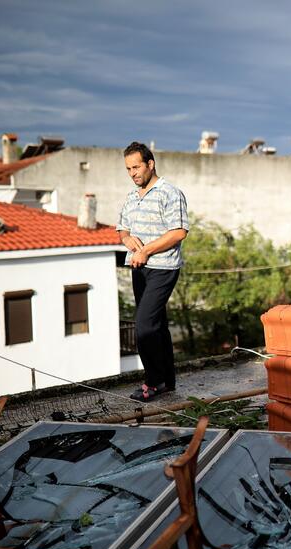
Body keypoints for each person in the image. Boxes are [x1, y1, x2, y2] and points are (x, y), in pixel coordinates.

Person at [117, 142, 189, 401]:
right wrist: (127, 240)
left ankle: (152, 382)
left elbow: (179, 232)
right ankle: (167, 382)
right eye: (128, 169)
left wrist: (146, 250)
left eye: (136, 166)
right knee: (157, 326)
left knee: (144, 326)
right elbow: (122, 229)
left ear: (150, 164)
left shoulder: (170, 193)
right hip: (138, 268)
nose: (133, 173)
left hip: (163, 267)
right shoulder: (131, 196)